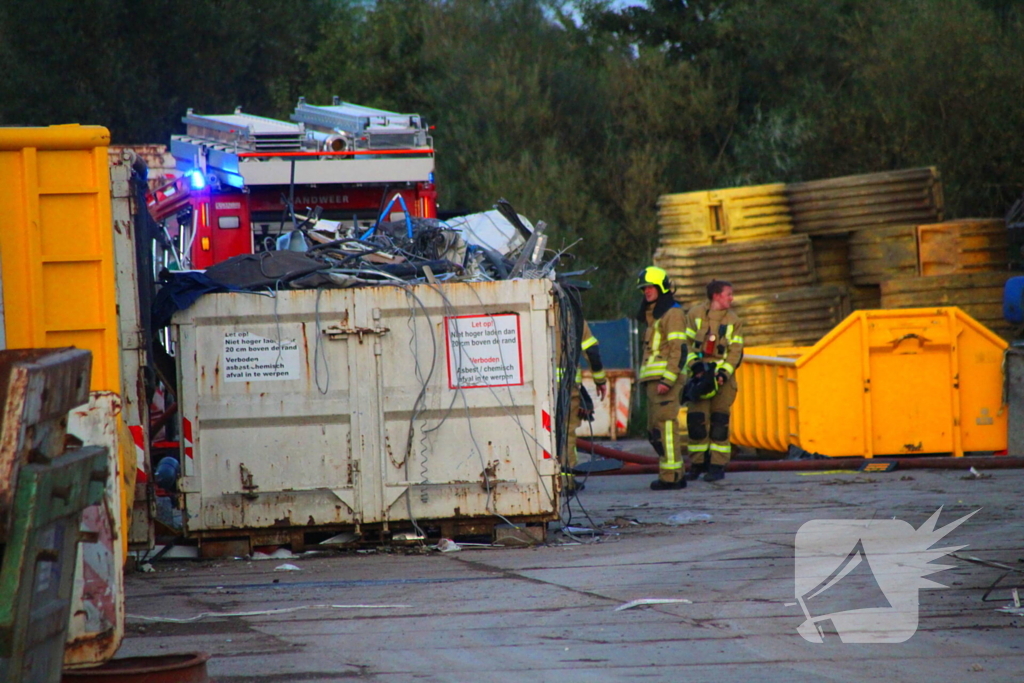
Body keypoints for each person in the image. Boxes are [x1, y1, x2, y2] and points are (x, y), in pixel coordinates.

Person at [683, 279, 743, 482]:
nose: (732, 298)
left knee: (719, 423)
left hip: (723, 380)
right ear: (716, 296)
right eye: (728, 294)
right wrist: (696, 367)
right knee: (696, 422)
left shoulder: (734, 320)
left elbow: (735, 352)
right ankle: (697, 464)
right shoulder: (694, 315)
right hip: (699, 377)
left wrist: (723, 374)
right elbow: (685, 345)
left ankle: (717, 466)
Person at [636, 266, 688, 490]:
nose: (647, 291)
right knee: (654, 430)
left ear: (662, 288)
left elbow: (679, 349)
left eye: (651, 287)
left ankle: (672, 477)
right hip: (653, 380)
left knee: (666, 428)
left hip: (665, 381)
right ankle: (672, 472)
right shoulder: (654, 315)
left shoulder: (673, 313)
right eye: (644, 288)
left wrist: (668, 380)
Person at [565, 321, 607, 493]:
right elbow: (591, 351)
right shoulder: (574, 317)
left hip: (540, 387)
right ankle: (565, 481)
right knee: (566, 433)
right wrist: (600, 380)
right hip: (568, 389)